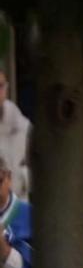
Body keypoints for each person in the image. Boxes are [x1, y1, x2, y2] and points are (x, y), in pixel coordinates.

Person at [0, 68, 29, 196]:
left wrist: (21, 179)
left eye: (0, 86)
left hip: (16, 202)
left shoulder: (21, 126)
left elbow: (42, 164)